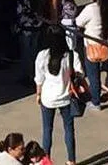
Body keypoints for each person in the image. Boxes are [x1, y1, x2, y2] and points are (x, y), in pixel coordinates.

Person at [34, 24, 81, 165]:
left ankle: (46, 160)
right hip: (66, 98)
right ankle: (71, 160)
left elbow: (39, 78)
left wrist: (38, 94)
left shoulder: (42, 55)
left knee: (47, 130)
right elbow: (80, 73)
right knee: (69, 129)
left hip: (47, 98)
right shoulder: (72, 55)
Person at [75, 0, 108, 111]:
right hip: (106, 45)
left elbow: (78, 22)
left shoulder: (91, 8)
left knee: (93, 75)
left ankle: (95, 101)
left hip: (92, 46)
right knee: (103, 70)